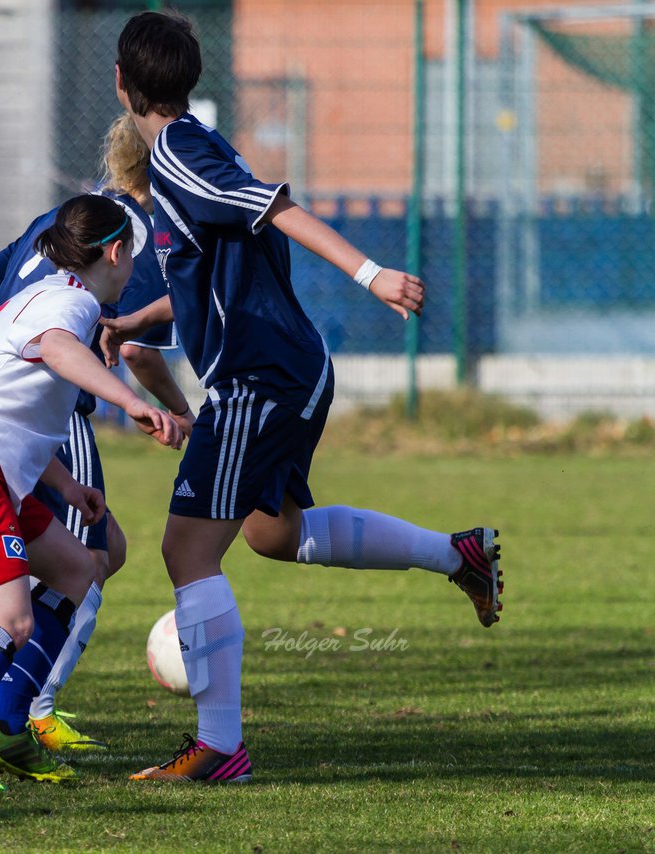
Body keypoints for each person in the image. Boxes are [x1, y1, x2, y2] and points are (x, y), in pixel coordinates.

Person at [111, 11, 503, 784]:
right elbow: (207, 276)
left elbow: (278, 208)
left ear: (121, 82)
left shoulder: (181, 158)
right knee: (272, 535)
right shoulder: (189, 152)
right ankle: (457, 554)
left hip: (261, 377)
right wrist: (131, 319)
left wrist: (373, 276)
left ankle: (220, 748)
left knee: (186, 551)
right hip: (285, 368)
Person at [0, 194, 183, 793]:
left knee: (78, 567)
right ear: (117, 251)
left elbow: (13, 404)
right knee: (9, 616)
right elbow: (58, 351)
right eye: (137, 253)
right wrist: (131, 402)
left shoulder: (40, 297)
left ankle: (10, 732)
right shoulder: (70, 300)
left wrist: (66, 485)